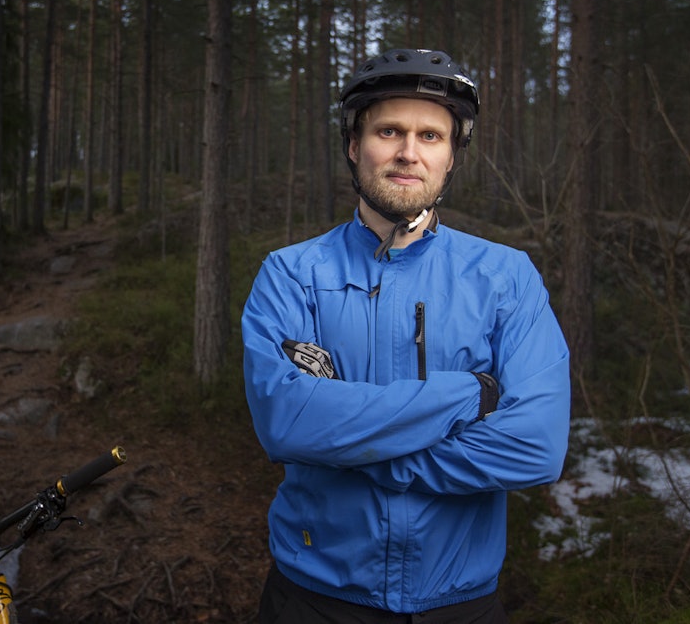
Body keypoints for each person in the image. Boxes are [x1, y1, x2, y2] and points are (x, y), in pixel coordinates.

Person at [241, 48, 571, 623]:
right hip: (313, 600)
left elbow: (535, 447)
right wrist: (469, 394)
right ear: (353, 145)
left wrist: (350, 453)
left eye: (430, 136)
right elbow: (287, 421)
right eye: (389, 130)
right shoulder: (292, 273)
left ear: (451, 157)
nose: (408, 153)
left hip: (460, 603)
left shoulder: (506, 277)